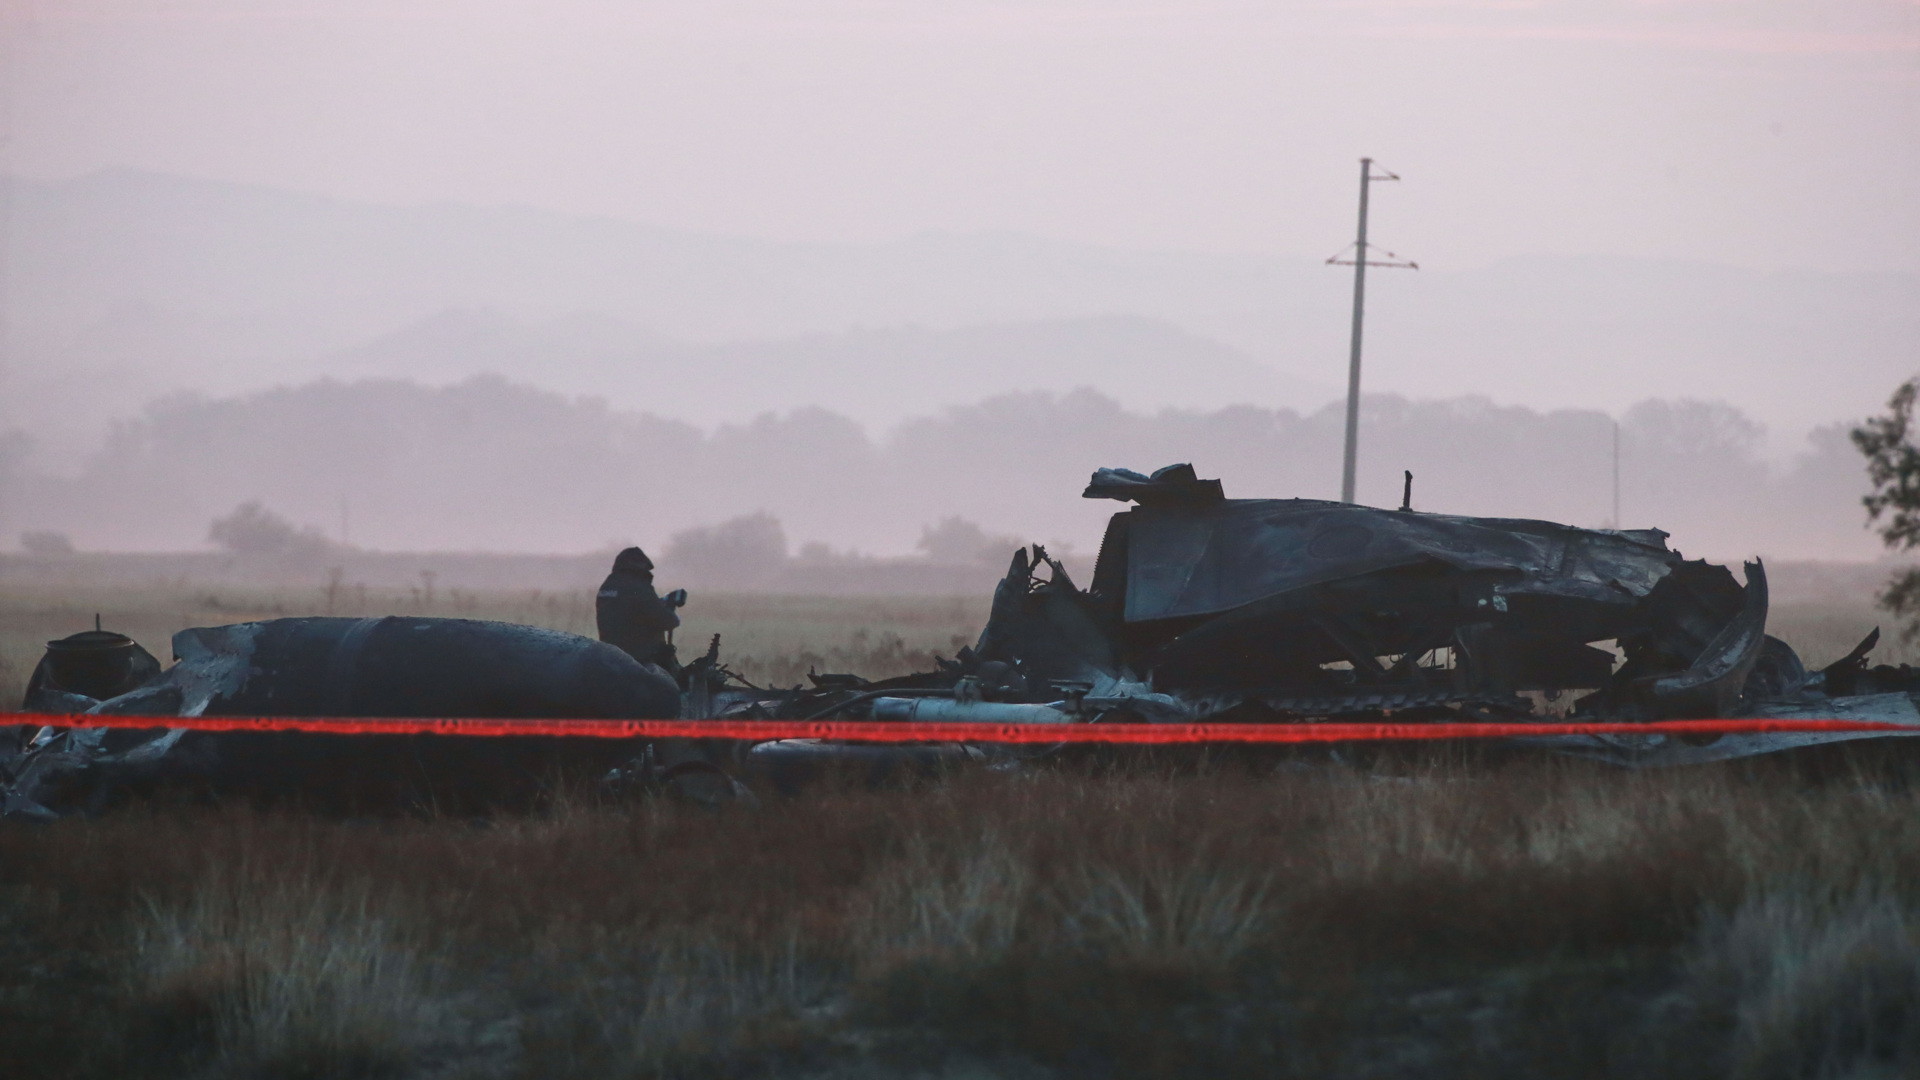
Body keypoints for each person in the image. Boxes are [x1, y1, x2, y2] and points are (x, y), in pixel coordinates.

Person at [595, 547, 686, 669]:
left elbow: (629, 610)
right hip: (640, 660)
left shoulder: (607, 586)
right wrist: (672, 614)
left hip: (610, 655)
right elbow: (666, 620)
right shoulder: (638, 587)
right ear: (640, 567)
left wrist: (659, 603)